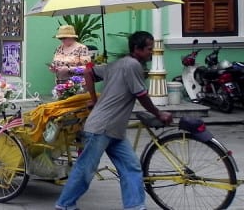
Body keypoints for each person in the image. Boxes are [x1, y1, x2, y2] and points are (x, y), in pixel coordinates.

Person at [54, 30, 173, 210]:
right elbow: (142, 95)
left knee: (131, 167)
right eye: (148, 49)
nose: (151, 52)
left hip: (115, 130)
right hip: (101, 128)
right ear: (137, 49)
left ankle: (135, 206)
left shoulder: (118, 64)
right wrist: (159, 114)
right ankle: (64, 205)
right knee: (85, 170)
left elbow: (89, 72)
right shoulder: (132, 65)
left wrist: (94, 99)